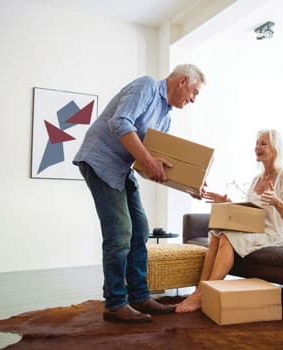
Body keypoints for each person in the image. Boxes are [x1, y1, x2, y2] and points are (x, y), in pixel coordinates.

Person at [73, 64, 206, 323]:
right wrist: (148, 160)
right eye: (194, 92)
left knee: (140, 230)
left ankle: (139, 296)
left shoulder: (166, 118)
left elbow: (154, 165)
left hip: (123, 168)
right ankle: (115, 303)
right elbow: (120, 122)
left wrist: (191, 186)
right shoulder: (147, 86)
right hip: (100, 160)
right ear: (181, 82)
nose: (193, 99)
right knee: (119, 233)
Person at [175, 129, 283, 313]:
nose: (257, 147)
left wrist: (277, 202)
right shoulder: (256, 179)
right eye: (257, 143)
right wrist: (226, 202)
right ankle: (199, 290)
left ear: (275, 148)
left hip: (275, 233)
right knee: (216, 234)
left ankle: (202, 296)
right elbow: (249, 212)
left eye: (263, 143)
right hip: (255, 230)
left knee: (227, 237)